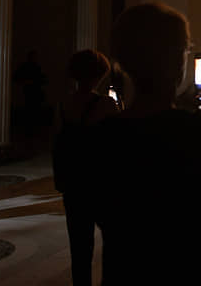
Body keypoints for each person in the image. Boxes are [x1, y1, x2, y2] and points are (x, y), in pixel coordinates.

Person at [89, 3, 201, 285]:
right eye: (185, 48)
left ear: (122, 61)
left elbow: (99, 213)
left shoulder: (101, 137)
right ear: (178, 62)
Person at [53, 49, 118, 286]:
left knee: (79, 251)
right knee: (113, 244)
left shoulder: (63, 104)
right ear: (99, 74)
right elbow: (118, 144)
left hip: (73, 186)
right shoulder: (106, 104)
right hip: (101, 185)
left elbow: (57, 142)